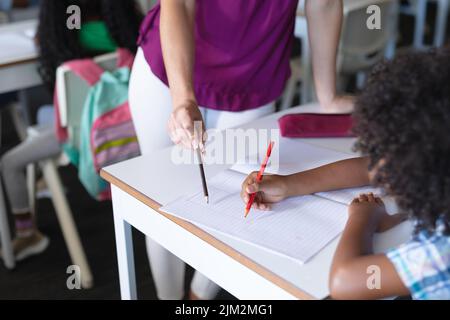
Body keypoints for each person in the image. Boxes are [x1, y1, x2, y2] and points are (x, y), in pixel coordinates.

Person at [130, 0, 353, 300]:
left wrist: (328, 95)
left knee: (240, 201)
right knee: (159, 200)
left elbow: (323, 4)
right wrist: (183, 97)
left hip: (252, 76)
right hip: (169, 68)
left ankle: (198, 298)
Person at [240, 48, 450, 300]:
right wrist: (287, 185)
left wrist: (363, 219)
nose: (380, 166)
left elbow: (344, 282)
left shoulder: (441, 253)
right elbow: (369, 169)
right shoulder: (437, 166)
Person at [0, 0, 142, 262]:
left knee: (9, 162)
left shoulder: (58, 39)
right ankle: (44, 182)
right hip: (135, 131)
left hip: (81, 140)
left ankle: (28, 235)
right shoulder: (127, 29)